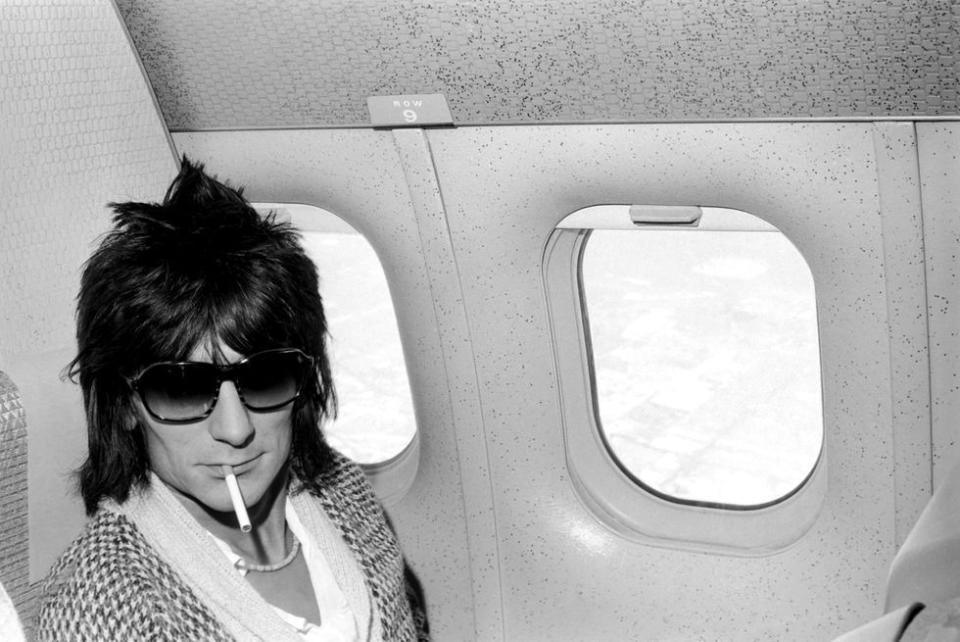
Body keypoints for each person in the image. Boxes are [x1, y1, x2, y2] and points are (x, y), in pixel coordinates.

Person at [36, 158, 429, 641]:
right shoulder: (99, 603)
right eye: (182, 388)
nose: (235, 428)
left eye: (264, 377)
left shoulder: (344, 492)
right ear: (124, 404)